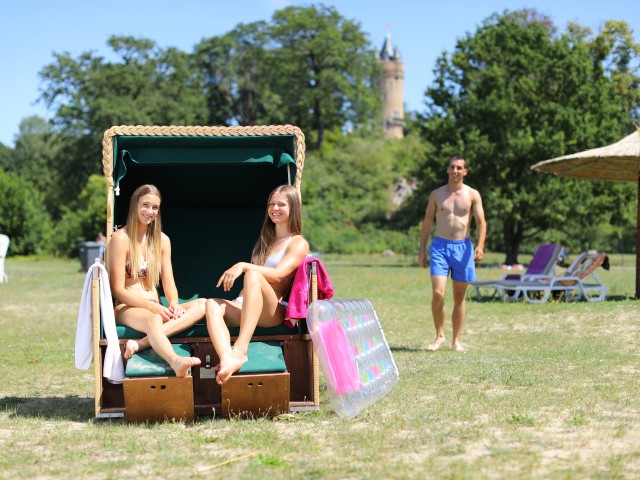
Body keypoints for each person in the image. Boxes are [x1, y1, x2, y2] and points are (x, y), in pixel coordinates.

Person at [205, 185, 310, 384]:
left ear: (293, 208)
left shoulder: (298, 242)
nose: (275, 208)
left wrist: (243, 266)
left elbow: (279, 276)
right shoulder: (266, 241)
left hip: (273, 311)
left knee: (253, 274)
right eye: (271, 204)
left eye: (281, 204)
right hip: (248, 307)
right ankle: (227, 357)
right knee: (212, 304)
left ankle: (241, 349)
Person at [109, 184, 206, 377]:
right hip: (126, 307)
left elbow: (168, 282)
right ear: (135, 205)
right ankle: (175, 361)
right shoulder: (121, 238)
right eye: (145, 205)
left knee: (203, 304)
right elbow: (117, 289)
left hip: (155, 304)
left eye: (155, 208)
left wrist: (174, 303)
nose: (150, 211)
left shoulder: (162, 240)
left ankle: (141, 343)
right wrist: (154, 308)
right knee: (154, 318)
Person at [418, 156, 486, 352]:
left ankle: (456, 340)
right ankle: (439, 336)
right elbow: (427, 223)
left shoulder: (473, 194)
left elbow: (481, 222)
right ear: (447, 170)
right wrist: (422, 250)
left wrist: (480, 245)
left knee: (459, 296)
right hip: (439, 247)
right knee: (438, 292)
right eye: (452, 167)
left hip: (462, 248)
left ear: (465, 172)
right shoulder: (436, 195)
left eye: (459, 168)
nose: (455, 170)